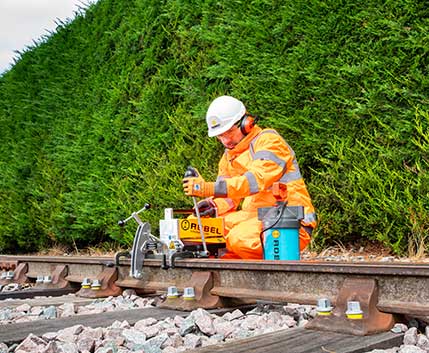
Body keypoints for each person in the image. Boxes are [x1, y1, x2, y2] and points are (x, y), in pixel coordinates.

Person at [182, 95, 316, 259]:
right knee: (193, 228)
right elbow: (229, 198)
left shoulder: (269, 142)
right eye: (220, 136)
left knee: (240, 238)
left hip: (288, 221)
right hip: (253, 217)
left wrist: (208, 188)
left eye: (229, 132)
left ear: (247, 123)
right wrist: (213, 205)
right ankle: (225, 267)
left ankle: (240, 263)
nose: (226, 140)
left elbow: (255, 180)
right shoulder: (229, 157)